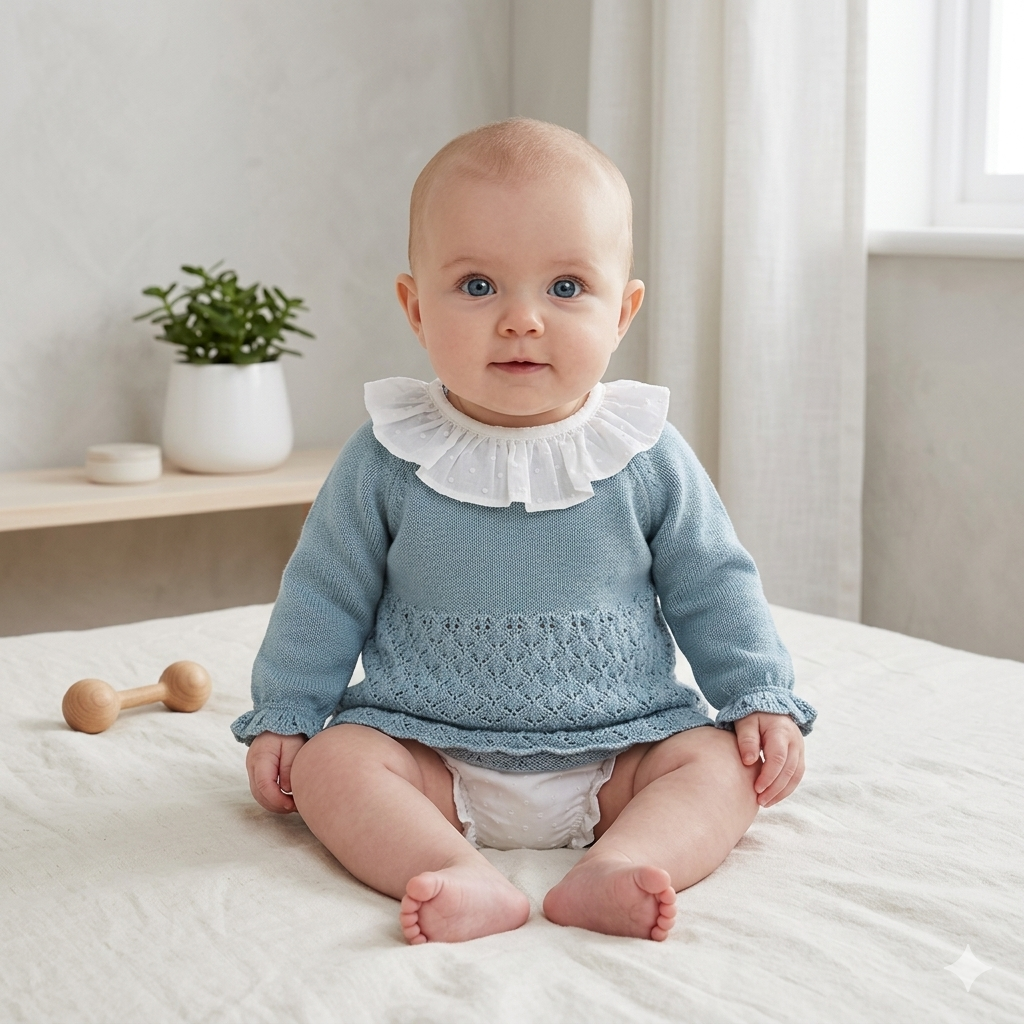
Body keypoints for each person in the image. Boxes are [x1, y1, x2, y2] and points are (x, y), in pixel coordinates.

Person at [232, 117, 816, 945]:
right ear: (414, 307)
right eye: (477, 286)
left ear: (624, 311)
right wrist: (287, 711)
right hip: (427, 747)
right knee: (334, 765)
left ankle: (619, 865)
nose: (521, 320)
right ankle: (454, 872)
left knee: (720, 768)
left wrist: (759, 693)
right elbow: (325, 588)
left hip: (622, 748)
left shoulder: (644, 452)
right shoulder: (388, 455)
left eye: (567, 288)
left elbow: (714, 579)